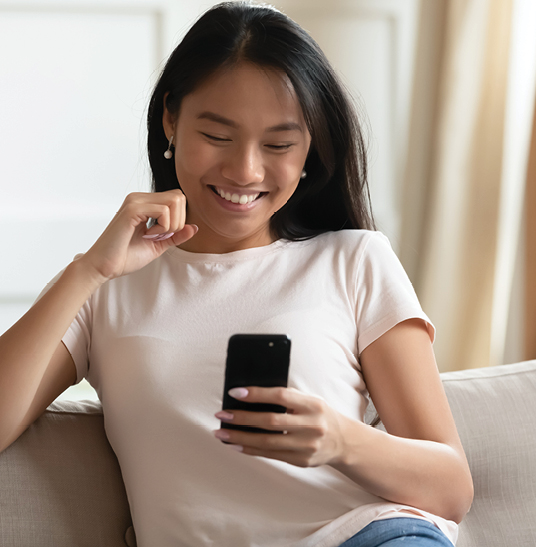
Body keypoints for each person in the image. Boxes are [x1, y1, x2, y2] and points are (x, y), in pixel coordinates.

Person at [0, 2, 473, 546]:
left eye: (278, 144)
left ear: (309, 148)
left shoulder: (355, 260)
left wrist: (340, 441)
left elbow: (451, 489)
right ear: (171, 118)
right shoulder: (106, 288)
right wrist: (88, 270)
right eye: (219, 136)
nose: (245, 170)